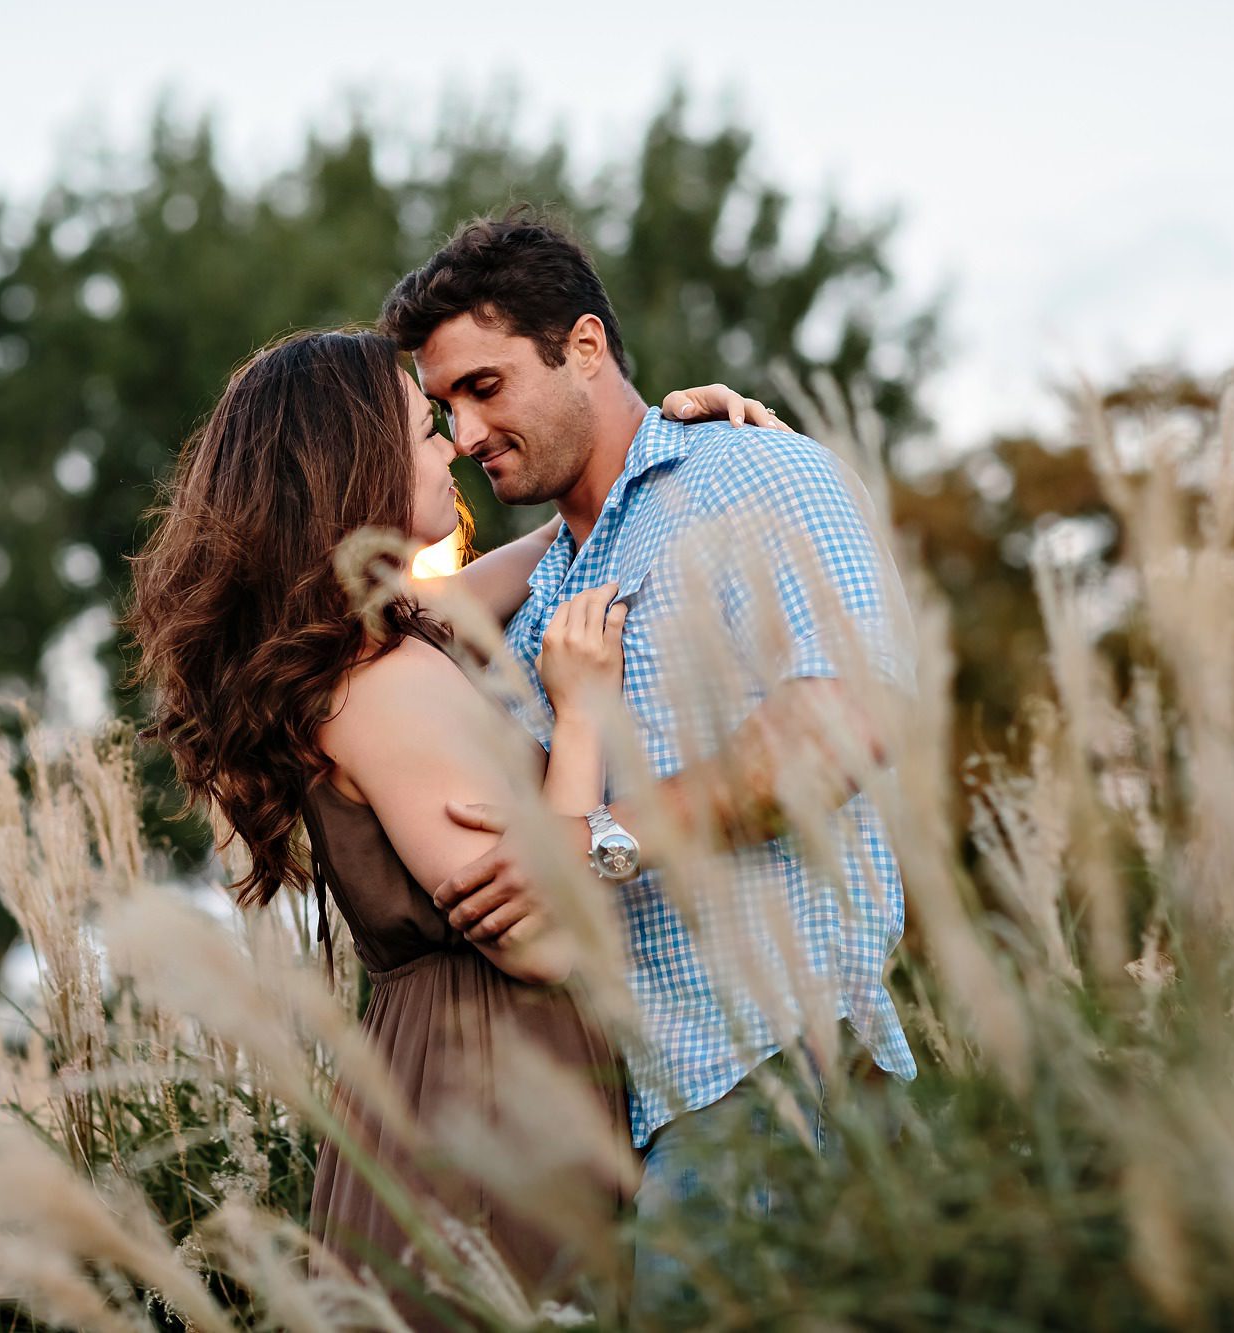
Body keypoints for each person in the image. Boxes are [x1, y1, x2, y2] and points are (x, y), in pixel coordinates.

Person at [122, 327, 783, 1325]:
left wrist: (646, 451)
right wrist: (583, 717)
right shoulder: (382, 687)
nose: (454, 446)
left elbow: (541, 553)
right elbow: (538, 933)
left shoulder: (373, 643)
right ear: (356, 466)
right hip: (489, 1119)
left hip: (468, 1088)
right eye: (423, 428)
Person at [379, 212, 920, 1314]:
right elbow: (354, 624)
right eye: (443, 409)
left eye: (483, 387)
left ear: (583, 346)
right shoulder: (545, 587)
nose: (467, 431)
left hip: (769, 1073)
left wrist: (592, 844)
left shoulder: (750, 473)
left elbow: (843, 722)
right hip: (636, 1122)